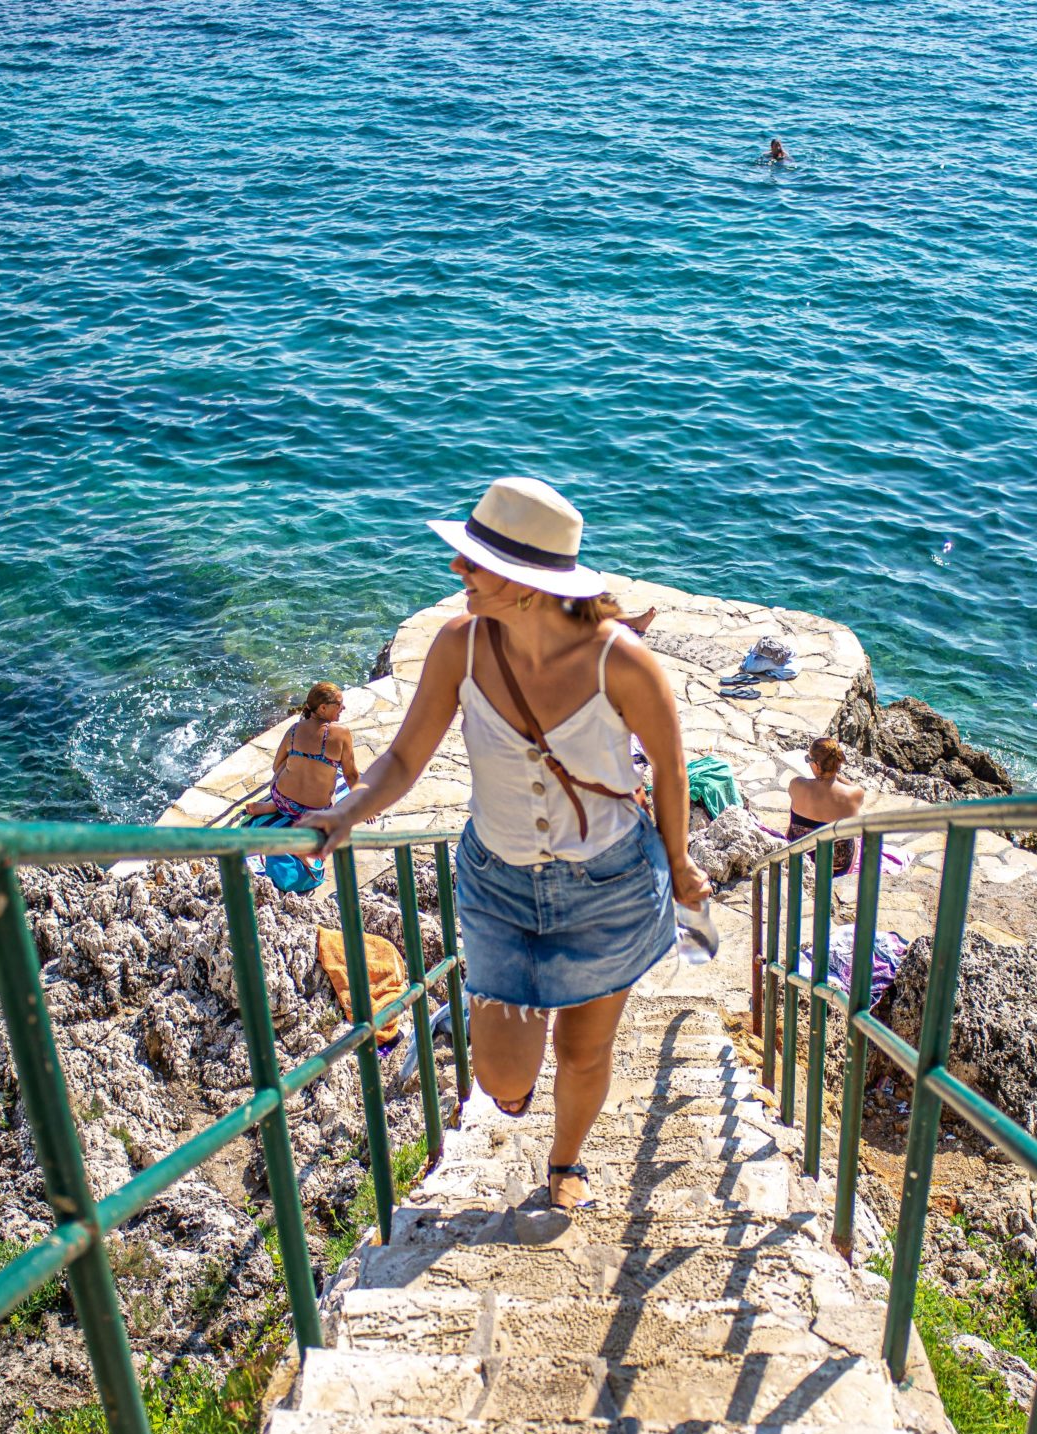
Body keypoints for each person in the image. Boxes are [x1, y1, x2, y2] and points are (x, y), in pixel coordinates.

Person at [304, 477, 711, 1212]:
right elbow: (401, 760)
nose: (457, 571)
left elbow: (674, 769)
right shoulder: (458, 648)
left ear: (527, 585)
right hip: (498, 885)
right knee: (500, 1078)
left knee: (583, 1050)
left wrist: (680, 864)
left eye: (473, 562)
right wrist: (346, 813)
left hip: (609, 885)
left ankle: (566, 1163)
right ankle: (520, 1093)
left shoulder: (621, 662)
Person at [269, 683, 362, 820]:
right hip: (316, 813)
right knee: (332, 778)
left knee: (291, 758)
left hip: (281, 800)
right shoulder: (342, 733)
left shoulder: (294, 729)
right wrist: (364, 804)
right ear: (323, 708)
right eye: (339, 704)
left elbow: (276, 766)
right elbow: (351, 776)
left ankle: (273, 807)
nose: (343, 707)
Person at [786, 738, 865, 877]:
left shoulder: (796, 784)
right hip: (836, 867)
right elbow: (855, 787)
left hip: (800, 858)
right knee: (853, 836)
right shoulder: (855, 794)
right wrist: (833, 773)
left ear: (816, 764)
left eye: (808, 759)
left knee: (794, 817)